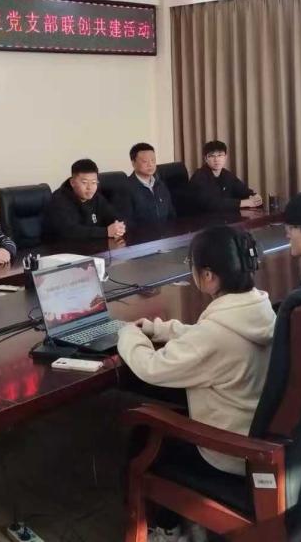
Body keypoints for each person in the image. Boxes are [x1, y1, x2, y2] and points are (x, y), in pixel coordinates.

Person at [118, 226, 275, 541]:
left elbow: (151, 368)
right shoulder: (258, 309)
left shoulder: (215, 334)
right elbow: (211, 336)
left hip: (228, 452)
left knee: (144, 435)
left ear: (208, 276)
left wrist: (128, 335)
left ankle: (166, 530)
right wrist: (161, 330)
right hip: (257, 432)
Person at [42, 159, 126, 241]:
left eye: (94, 182)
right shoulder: (59, 200)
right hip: (63, 247)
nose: (90, 187)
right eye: (84, 182)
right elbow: (69, 231)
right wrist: (106, 232)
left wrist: (119, 227)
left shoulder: (96, 197)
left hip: (93, 245)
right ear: (72, 182)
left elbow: (114, 216)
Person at [189, 140, 263, 214]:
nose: (216, 159)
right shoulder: (199, 176)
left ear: (225, 157)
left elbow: (243, 190)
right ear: (205, 159)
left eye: (220, 155)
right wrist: (243, 203)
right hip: (200, 218)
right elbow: (210, 204)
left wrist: (255, 196)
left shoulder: (227, 175)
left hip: (223, 217)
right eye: (212, 156)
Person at [125, 142, 175, 228]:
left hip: (166, 233)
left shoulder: (160, 185)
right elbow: (127, 223)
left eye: (153, 160)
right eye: (145, 161)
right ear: (133, 163)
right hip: (142, 235)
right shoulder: (126, 189)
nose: (150, 165)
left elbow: (171, 214)